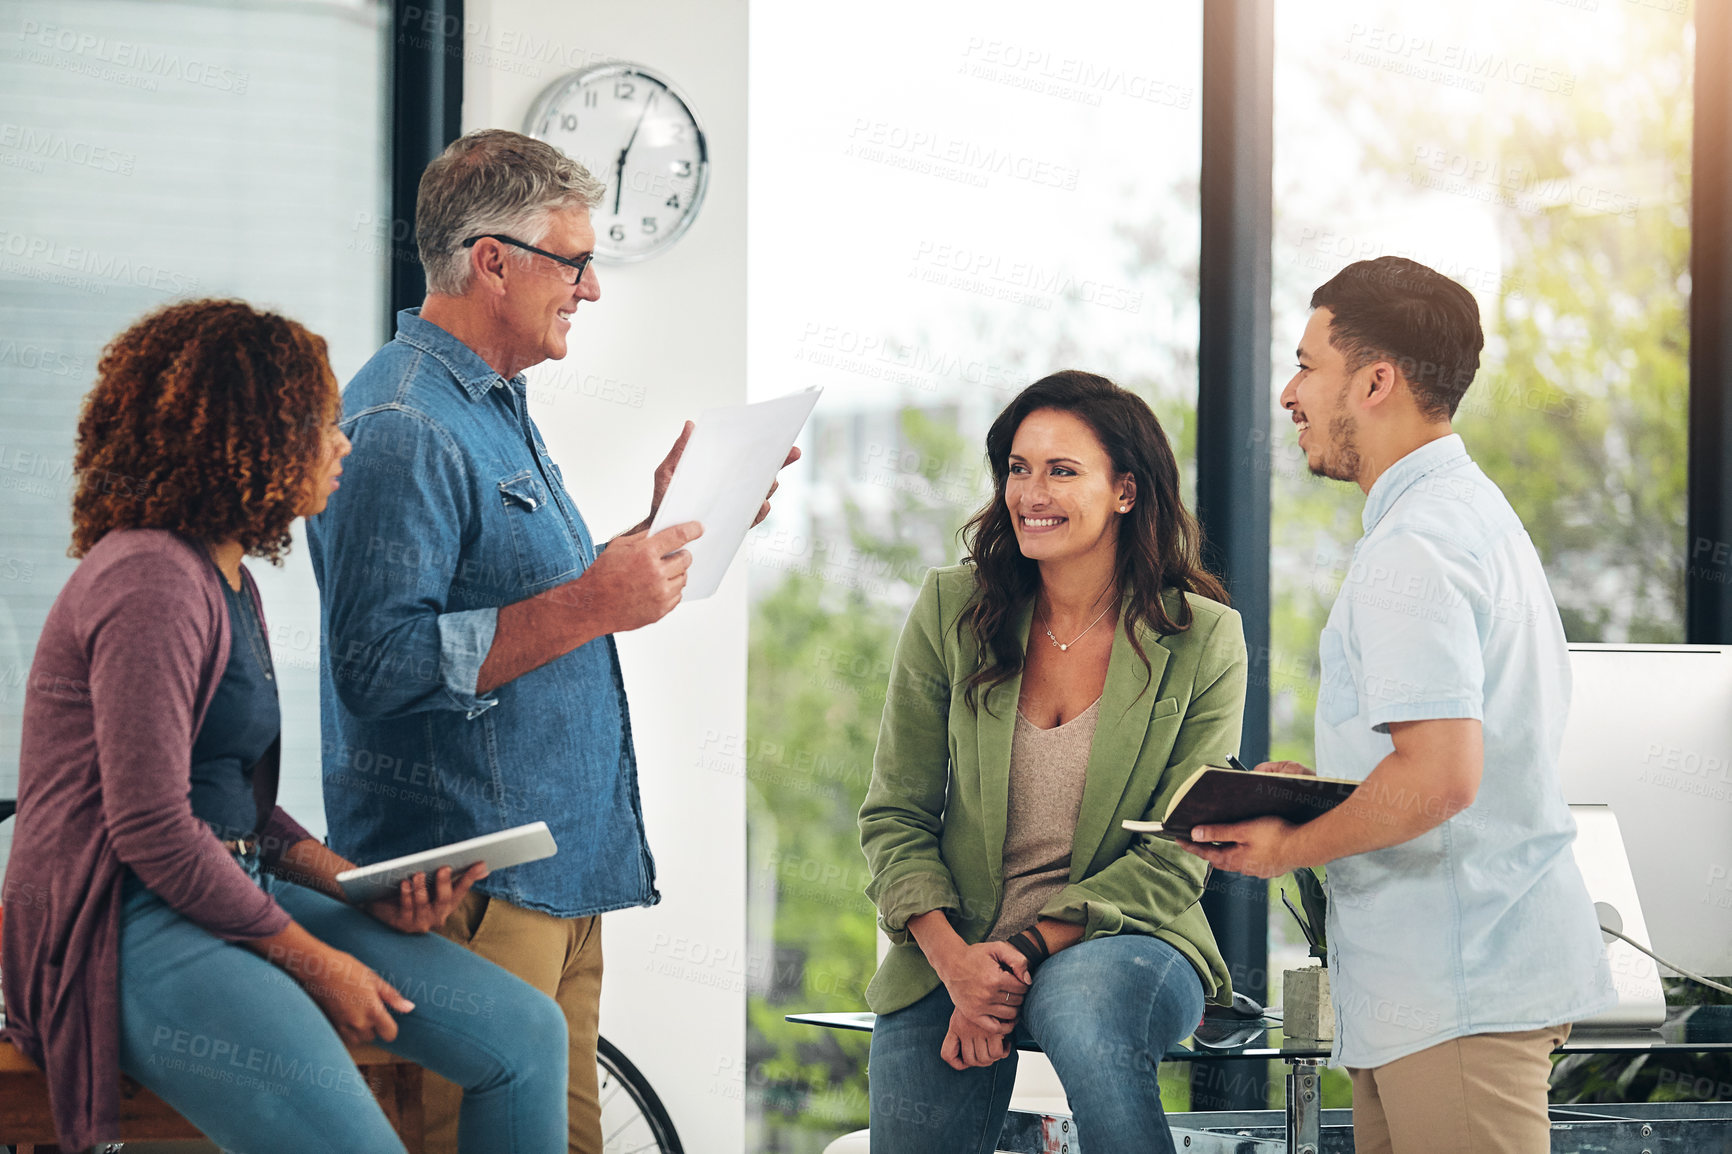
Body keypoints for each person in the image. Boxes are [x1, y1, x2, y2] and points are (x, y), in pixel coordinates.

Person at [306, 128, 795, 1154]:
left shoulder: (494, 407)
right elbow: (377, 666)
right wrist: (592, 602)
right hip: (472, 893)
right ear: (492, 260)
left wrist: (652, 533)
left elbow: (536, 598)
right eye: (575, 261)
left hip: (558, 875)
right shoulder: (403, 423)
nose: (592, 289)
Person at [1, 299, 569, 1153]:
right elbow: (152, 827)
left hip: (230, 890)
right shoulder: (149, 578)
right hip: (126, 924)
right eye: (317, 421)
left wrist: (358, 891)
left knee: (527, 1037)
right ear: (247, 434)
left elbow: (237, 806)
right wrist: (314, 957)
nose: (341, 441)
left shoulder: (228, 578)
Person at [1180, 256, 1617, 1154]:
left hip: (1458, 986)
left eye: (1307, 365)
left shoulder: (1415, 545)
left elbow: (1442, 778)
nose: (1288, 393)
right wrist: (1331, 793)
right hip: (1436, 991)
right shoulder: (1464, 517)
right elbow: (1445, 760)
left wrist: (1288, 847)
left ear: (1376, 381)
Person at [858, 371, 1247, 1154]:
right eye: (1018, 468)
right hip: (955, 943)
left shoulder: (1204, 638)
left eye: (1062, 471)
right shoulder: (951, 609)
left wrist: (1026, 951)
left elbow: (1178, 850)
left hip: (1125, 936)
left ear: (1126, 492)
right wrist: (959, 966)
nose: (1031, 492)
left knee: (1085, 1010)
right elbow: (894, 814)